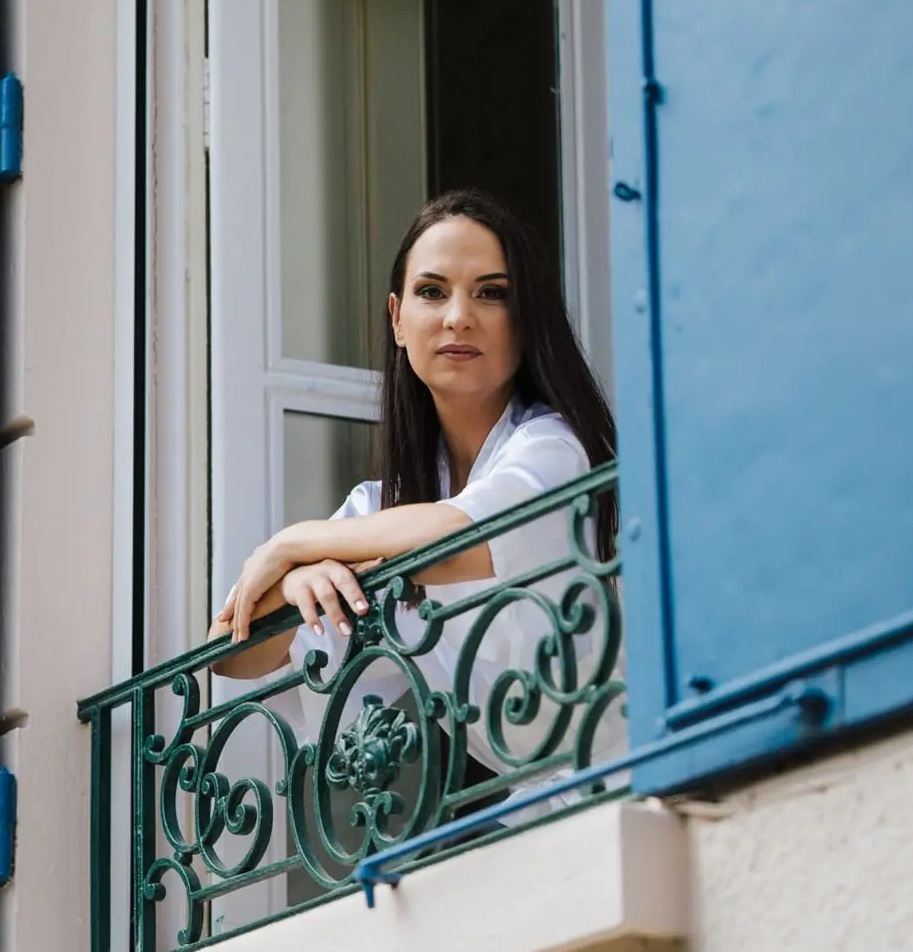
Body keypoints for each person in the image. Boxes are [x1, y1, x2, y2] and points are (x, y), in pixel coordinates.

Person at [209, 190, 617, 777]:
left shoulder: (557, 449)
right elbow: (232, 653)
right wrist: (298, 579)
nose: (458, 317)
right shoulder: (383, 509)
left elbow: (459, 540)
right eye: (432, 291)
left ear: (525, 320)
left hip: (640, 789)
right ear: (398, 319)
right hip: (534, 807)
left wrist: (293, 544)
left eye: (491, 293)